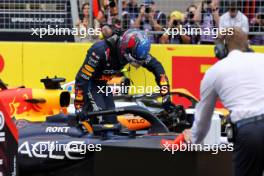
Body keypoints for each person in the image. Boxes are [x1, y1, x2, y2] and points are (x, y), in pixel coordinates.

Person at [184, 28, 264, 176]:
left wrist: (192, 138)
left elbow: (203, 121)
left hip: (251, 132)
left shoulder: (214, 71)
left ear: (220, 49)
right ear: (247, 45)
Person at [74, 29, 174, 124]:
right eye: (135, 60)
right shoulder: (100, 51)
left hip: (102, 84)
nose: (137, 64)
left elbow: (157, 68)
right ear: (125, 50)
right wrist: (79, 106)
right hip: (89, 84)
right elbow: (82, 78)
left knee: (111, 120)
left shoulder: (136, 50)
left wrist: (165, 95)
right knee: (101, 119)